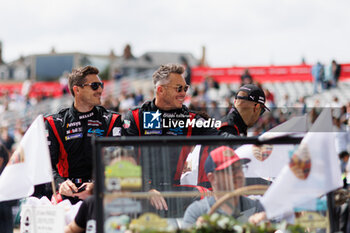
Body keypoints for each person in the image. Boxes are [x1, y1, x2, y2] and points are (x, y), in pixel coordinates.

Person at [123, 63, 228, 217]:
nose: (184, 93)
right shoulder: (136, 117)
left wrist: (254, 141)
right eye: (179, 88)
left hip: (173, 192)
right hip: (140, 192)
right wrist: (146, 189)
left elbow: (222, 137)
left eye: (186, 88)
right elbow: (124, 160)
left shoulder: (189, 119)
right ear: (160, 90)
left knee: (209, 196)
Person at [43, 66, 124, 204]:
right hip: (68, 194)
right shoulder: (55, 123)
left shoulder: (111, 120)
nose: (100, 90)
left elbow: (120, 162)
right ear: (77, 89)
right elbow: (46, 165)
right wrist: (60, 184)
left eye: (101, 85)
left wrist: (97, 184)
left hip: (102, 193)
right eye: (94, 86)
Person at [183, 146, 265, 227]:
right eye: (231, 170)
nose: (239, 174)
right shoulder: (197, 212)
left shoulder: (256, 207)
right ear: (212, 178)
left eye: (240, 168)